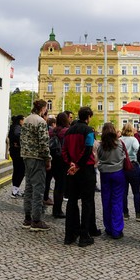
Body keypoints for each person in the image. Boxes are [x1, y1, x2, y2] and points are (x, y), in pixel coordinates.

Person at [62, 106, 99, 247]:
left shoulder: (69, 131)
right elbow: (88, 148)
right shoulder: (88, 130)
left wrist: (70, 163)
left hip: (71, 170)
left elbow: (63, 149)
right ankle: (84, 235)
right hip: (85, 169)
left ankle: (69, 235)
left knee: (72, 201)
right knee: (87, 202)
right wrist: (78, 165)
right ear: (88, 117)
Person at [20, 100, 52, 231]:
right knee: (38, 189)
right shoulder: (41, 121)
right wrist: (47, 158)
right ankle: (36, 220)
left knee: (28, 187)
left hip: (26, 156)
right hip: (37, 158)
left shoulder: (26, 120)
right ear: (43, 108)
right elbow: (44, 142)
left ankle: (27, 218)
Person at [97, 123, 127, 239]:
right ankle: (117, 229)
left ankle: (108, 227)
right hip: (118, 173)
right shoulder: (119, 144)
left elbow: (98, 158)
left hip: (105, 174)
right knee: (117, 201)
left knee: (106, 200)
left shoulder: (101, 146)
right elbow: (124, 156)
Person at [120, 122, 140, 221]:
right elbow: (138, 150)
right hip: (133, 166)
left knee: (124, 192)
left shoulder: (119, 140)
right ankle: (138, 214)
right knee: (136, 191)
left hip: (122, 167)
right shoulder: (134, 140)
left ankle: (125, 213)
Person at [49, 112, 69, 218]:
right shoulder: (66, 131)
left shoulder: (52, 131)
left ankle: (56, 209)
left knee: (57, 185)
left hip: (54, 160)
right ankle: (57, 210)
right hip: (63, 161)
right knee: (61, 186)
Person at [8, 115, 25, 198]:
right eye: (23, 120)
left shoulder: (12, 127)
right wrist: (19, 143)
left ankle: (15, 189)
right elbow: (17, 135)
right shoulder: (18, 127)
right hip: (18, 152)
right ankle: (15, 190)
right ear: (20, 120)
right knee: (21, 170)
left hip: (14, 151)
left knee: (16, 170)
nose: (24, 122)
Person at [43, 115, 56, 206]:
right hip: (51, 157)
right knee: (48, 179)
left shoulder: (49, 131)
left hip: (48, 157)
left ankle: (44, 196)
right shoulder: (52, 132)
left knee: (46, 179)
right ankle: (45, 197)